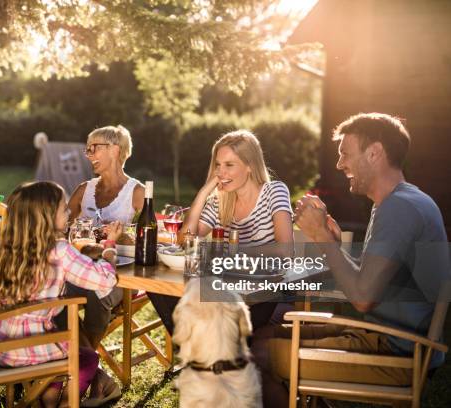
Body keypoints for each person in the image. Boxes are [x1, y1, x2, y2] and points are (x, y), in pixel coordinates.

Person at [260, 113, 450, 406]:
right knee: (262, 337)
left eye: (345, 154)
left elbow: (362, 298)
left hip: (392, 353)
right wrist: (335, 246)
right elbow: (370, 280)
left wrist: (322, 236)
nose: (339, 164)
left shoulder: (400, 207)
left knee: (256, 357)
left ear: (374, 153)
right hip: (388, 340)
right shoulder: (397, 201)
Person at [0, 181, 122, 407]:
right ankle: (65, 403)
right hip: (32, 347)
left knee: (65, 350)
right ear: (47, 216)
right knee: (88, 358)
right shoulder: (59, 251)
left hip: (1, 344)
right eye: (64, 208)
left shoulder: (5, 246)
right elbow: (105, 280)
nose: (69, 211)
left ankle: (46, 400)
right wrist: (109, 249)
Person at [150, 130, 294, 334]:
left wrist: (233, 255)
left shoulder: (274, 192)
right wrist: (203, 193)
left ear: (250, 166)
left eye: (229, 165)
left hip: (265, 293)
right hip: (227, 288)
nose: (220, 173)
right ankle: (202, 358)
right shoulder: (221, 200)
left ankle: (207, 357)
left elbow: (285, 251)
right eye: (217, 165)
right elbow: (185, 240)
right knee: (159, 290)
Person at [66, 125, 144, 401]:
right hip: (78, 270)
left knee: (94, 292)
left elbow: (150, 244)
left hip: (120, 276)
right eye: (87, 149)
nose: (89, 155)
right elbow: (58, 226)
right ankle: (94, 371)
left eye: (94, 148)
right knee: (52, 294)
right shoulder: (83, 190)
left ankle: (80, 368)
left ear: (115, 149)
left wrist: (122, 236)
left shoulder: (137, 192)